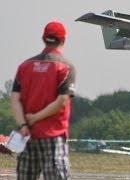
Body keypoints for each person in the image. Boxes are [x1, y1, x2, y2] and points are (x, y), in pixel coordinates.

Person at [10, 21, 76, 180]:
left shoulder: (24, 66)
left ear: (43, 38)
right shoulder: (67, 67)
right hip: (53, 134)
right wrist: (37, 117)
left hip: (27, 135)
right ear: (64, 40)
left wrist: (23, 124)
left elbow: (14, 98)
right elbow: (62, 100)